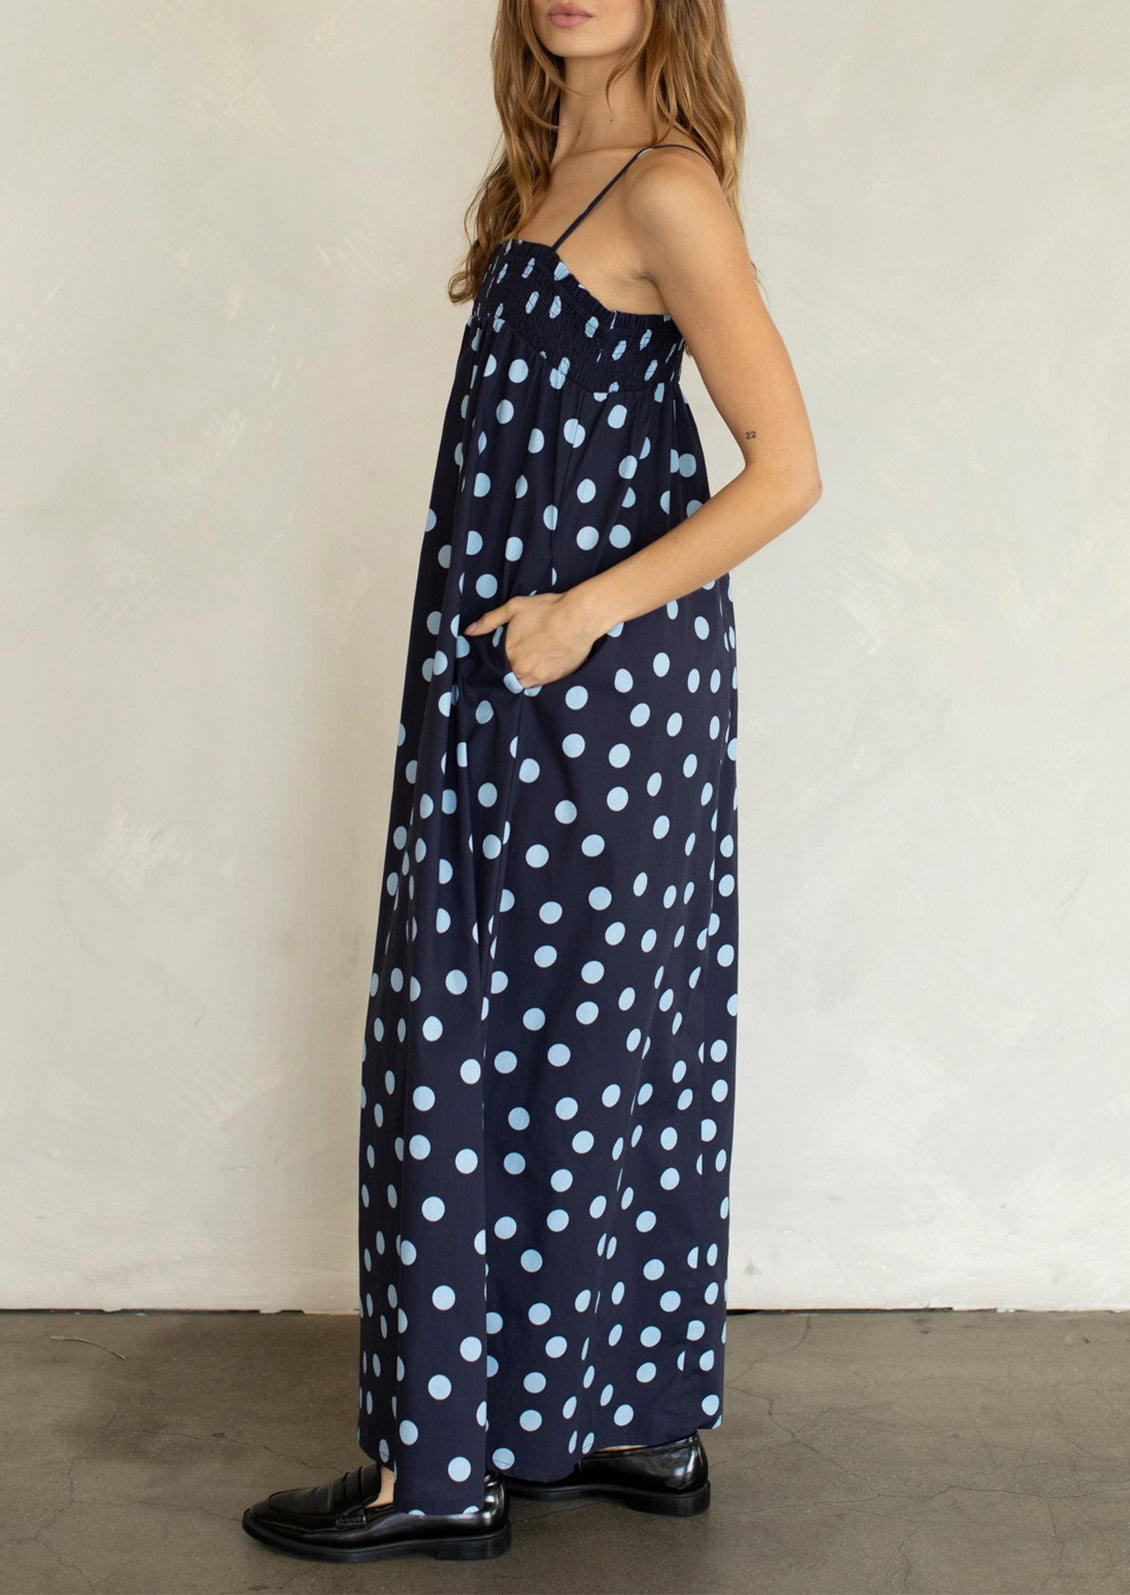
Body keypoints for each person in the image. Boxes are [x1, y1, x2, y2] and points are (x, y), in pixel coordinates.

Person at [242, 0, 820, 1565]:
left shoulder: (665, 187)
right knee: (568, 1040)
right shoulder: (548, 171)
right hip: (514, 688)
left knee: (505, 1033)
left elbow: (787, 467)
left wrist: (580, 615)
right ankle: (621, 1421)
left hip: (595, 693)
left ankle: (434, 1472)